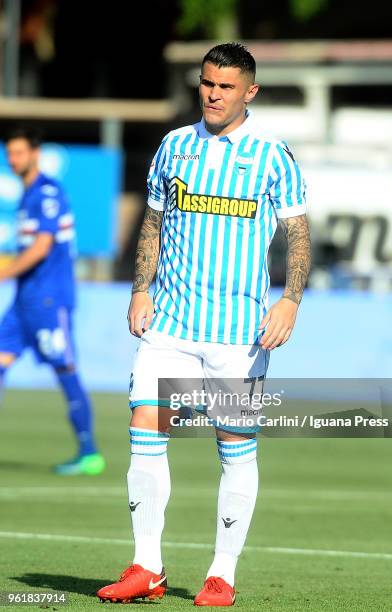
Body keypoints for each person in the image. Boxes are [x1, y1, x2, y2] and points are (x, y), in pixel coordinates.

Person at [97, 42, 311, 605]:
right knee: (146, 425)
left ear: (250, 92)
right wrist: (140, 288)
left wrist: (289, 300)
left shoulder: (271, 155)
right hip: (170, 323)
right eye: (207, 83)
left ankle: (222, 574)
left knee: (234, 444)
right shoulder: (175, 146)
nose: (214, 94)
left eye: (226, 86)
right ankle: (147, 567)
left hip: (240, 335)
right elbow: (154, 219)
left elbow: (297, 233)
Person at [0, 126, 105, 476]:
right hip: (23, 302)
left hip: (49, 300)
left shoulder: (47, 191)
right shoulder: (27, 194)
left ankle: (89, 451)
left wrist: (5, 272)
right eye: (10, 153)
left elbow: (42, 247)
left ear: (35, 153)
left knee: (65, 370)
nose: (14, 160)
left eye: (19, 153)